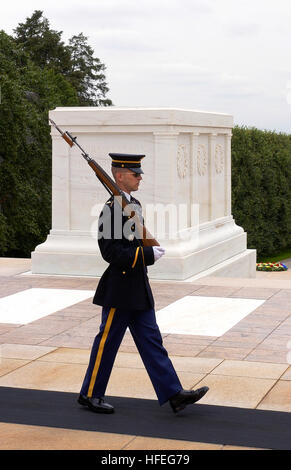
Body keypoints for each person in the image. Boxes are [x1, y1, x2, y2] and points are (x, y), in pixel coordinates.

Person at [78, 153, 209, 414]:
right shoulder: (111, 209)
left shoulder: (133, 204)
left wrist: (146, 251)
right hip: (120, 289)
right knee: (108, 342)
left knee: (151, 340)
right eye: (135, 174)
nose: (140, 178)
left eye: (140, 174)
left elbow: (135, 240)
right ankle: (90, 394)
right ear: (119, 176)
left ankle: (174, 393)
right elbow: (110, 252)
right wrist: (146, 255)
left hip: (138, 287)